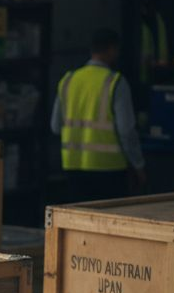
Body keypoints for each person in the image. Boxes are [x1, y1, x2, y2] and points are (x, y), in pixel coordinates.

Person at [51, 28, 147, 204]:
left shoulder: (68, 80)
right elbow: (126, 130)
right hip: (109, 169)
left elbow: (55, 127)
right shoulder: (116, 82)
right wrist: (138, 165)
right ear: (112, 49)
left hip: (73, 167)